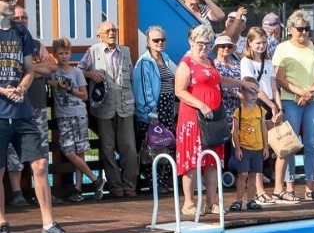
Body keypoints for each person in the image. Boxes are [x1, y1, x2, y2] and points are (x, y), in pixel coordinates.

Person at [0, 0, 75, 233]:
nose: (13, 3)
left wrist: (21, 87)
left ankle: (48, 224)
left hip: (23, 110)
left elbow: (32, 69)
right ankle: (2, 223)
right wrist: (3, 90)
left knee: (40, 163)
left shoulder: (21, 32)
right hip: (0, 111)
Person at [174, 25, 256, 216]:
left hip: (213, 120)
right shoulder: (186, 64)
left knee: (211, 161)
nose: (203, 46)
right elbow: (180, 91)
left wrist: (242, 83)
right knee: (192, 162)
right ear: (191, 42)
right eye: (200, 43)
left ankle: (212, 201)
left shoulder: (210, 62)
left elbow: (219, 81)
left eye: (207, 43)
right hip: (194, 119)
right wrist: (201, 105)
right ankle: (189, 203)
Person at [78, 20, 139, 198]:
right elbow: (79, 71)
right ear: (100, 35)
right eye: (108, 31)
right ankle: (115, 186)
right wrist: (90, 74)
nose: (112, 33)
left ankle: (129, 185)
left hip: (125, 106)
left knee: (129, 147)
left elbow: (132, 75)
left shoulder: (125, 51)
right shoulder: (92, 52)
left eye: (114, 30)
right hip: (104, 107)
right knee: (107, 147)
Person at [273, 10, 314, 202]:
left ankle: (310, 187)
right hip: (291, 99)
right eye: (300, 29)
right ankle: (289, 186)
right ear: (290, 29)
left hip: (313, 100)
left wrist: (310, 92)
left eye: (307, 29)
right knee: (290, 144)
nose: (303, 33)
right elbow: (280, 78)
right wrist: (300, 92)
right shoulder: (282, 48)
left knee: (312, 144)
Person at [6, 5, 58, 207]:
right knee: (12, 152)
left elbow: (52, 66)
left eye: (24, 17)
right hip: (13, 107)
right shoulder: (8, 42)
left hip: (37, 106)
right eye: (18, 17)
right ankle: (17, 192)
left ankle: (43, 193)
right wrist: (37, 69)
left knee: (41, 151)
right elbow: (15, 72)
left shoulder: (35, 44)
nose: (21, 20)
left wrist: (30, 69)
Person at [48, 37, 105, 203]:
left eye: (67, 53)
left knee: (80, 151)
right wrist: (53, 83)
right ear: (55, 54)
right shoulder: (52, 71)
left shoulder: (77, 72)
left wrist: (69, 89)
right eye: (61, 53)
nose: (64, 56)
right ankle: (95, 179)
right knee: (68, 149)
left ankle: (78, 188)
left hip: (78, 112)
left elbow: (84, 95)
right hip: (63, 114)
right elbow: (46, 78)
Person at [240, 27, 284, 205]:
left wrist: (279, 107)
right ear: (250, 42)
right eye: (258, 43)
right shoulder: (246, 61)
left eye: (264, 43)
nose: (261, 46)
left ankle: (277, 188)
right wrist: (271, 104)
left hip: (271, 104)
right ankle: (258, 191)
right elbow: (253, 87)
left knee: (277, 146)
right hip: (256, 105)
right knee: (257, 149)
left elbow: (274, 86)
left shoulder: (267, 61)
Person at [133, 26, 178, 192]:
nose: (160, 43)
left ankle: (165, 182)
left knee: (167, 144)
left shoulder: (165, 58)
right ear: (148, 42)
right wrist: (151, 112)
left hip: (167, 107)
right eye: (155, 40)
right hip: (153, 110)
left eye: (162, 39)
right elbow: (144, 90)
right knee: (151, 146)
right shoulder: (144, 62)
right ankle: (155, 183)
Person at [229, 79, 267, 213]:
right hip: (244, 147)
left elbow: (263, 129)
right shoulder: (239, 111)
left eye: (256, 92)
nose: (254, 95)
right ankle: (238, 200)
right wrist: (238, 148)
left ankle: (251, 200)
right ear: (243, 92)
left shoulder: (261, 111)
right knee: (243, 174)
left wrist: (266, 147)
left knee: (253, 175)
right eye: (251, 92)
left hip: (257, 148)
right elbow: (234, 131)